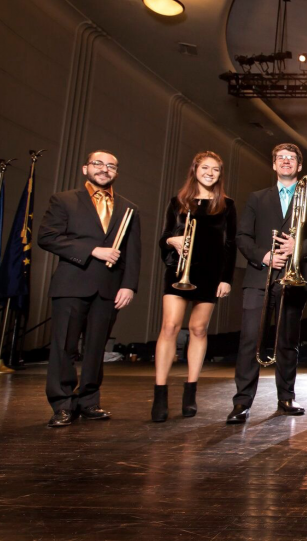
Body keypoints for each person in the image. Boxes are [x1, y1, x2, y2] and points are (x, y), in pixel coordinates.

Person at [37, 150, 141, 428]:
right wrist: (93, 250)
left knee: (96, 349)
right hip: (72, 283)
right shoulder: (64, 200)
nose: (104, 169)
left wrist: (129, 285)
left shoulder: (129, 208)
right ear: (85, 169)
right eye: (98, 164)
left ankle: (89, 402)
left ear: (116, 173)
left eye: (111, 166)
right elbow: (47, 237)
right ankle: (62, 404)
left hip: (109, 288)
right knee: (64, 348)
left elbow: (133, 252)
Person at [227, 142, 307, 424]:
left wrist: (299, 247)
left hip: (295, 279)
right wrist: (265, 256)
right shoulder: (257, 198)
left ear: (299, 165)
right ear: (273, 164)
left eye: (291, 158)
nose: (285, 161)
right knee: (249, 341)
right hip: (260, 276)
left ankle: (286, 398)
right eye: (280, 158)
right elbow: (242, 236)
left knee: (287, 341)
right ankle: (242, 403)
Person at [152, 151, 237, 422]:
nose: (210, 173)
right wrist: (172, 242)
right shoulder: (178, 202)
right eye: (205, 168)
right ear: (195, 170)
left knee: (199, 329)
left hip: (210, 274)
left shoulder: (227, 205)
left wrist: (226, 279)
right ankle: (160, 392)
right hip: (179, 271)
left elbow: (229, 244)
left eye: (215, 169)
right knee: (170, 327)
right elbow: (165, 235)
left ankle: (190, 392)